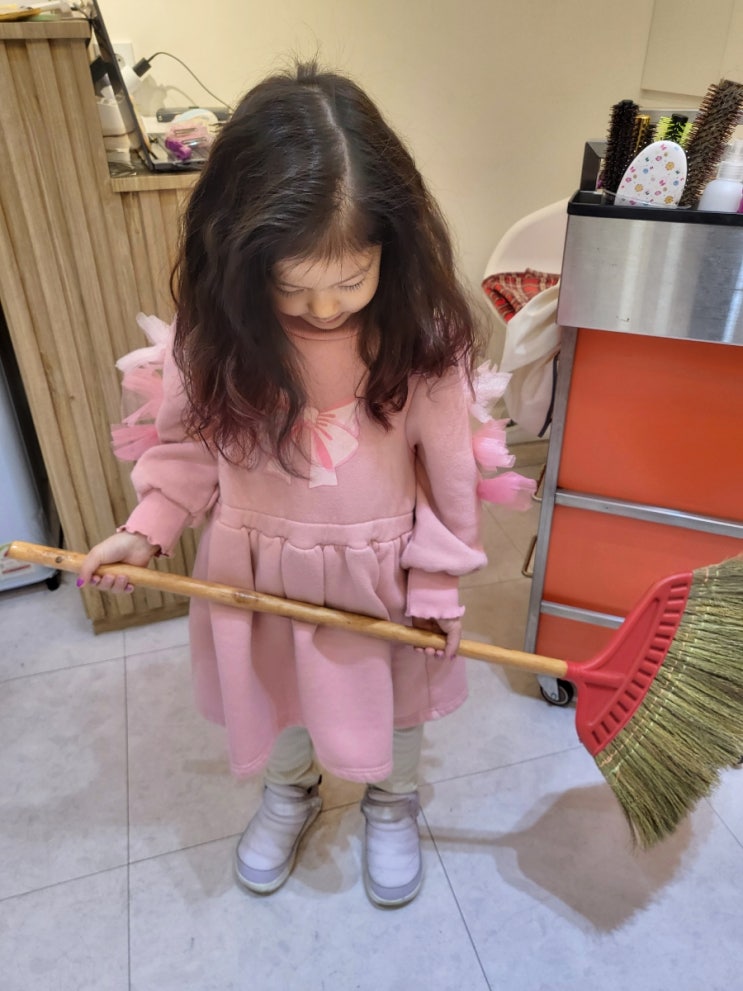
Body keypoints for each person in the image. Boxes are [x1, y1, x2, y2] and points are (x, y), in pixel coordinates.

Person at [78, 61, 489, 908]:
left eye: (350, 280)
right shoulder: (217, 336)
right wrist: (147, 528)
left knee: (395, 703)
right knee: (282, 697)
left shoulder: (420, 338)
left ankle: (391, 801)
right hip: (259, 573)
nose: (325, 309)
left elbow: (449, 476)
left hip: (380, 576)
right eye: (293, 285)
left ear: (393, 249)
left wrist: (436, 583)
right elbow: (189, 448)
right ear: (239, 255)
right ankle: (289, 791)